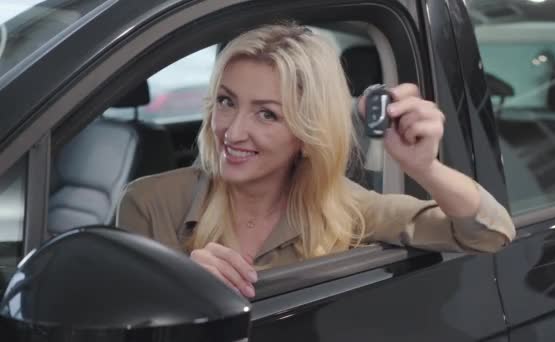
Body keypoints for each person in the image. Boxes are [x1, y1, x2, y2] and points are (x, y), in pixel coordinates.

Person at [116, 23, 515, 298]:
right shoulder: (150, 202)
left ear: (307, 136)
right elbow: (115, 316)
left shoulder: (346, 208)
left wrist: (425, 168)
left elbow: (489, 233)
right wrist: (177, 287)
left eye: (267, 114)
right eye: (226, 102)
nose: (233, 132)